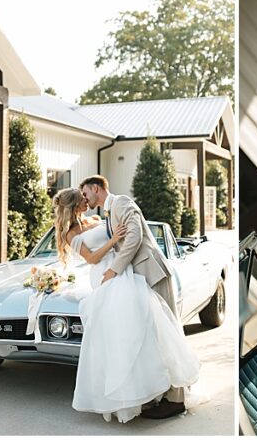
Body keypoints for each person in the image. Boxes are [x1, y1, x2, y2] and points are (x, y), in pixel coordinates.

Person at [69, 176, 198, 420]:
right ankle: (164, 392)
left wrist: (113, 270)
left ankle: (176, 399)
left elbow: (135, 238)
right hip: (138, 276)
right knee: (153, 335)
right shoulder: (108, 213)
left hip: (152, 271)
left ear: (96, 188)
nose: (85, 198)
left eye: (86, 193)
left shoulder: (122, 203)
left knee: (167, 332)